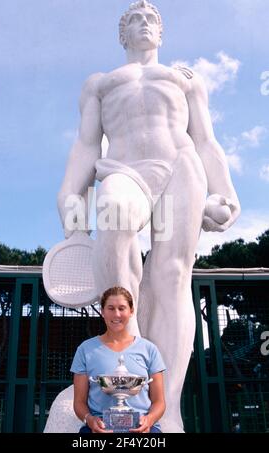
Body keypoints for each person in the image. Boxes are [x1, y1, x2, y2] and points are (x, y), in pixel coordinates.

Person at [58, 1, 241, 432]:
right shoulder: (101, 83)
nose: (144, 24)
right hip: (123, 170)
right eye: (135, 20)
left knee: (173, 276)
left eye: (151, 20)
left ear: (161, 33)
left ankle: (166, 407)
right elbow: (87, 145)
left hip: (179, 165)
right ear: (123, 35)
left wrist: (225, 192)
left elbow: (206, 139)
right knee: (115, 219)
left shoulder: (184, 79)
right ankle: (127, 369)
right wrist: (71, 194)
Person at [70, 286, 166, 433]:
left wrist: (149, 420)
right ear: (102, 311)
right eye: (110, 308)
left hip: (143, 429)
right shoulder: (85, 350)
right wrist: (90, 420)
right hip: (99, 427)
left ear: (131, 311)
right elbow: (79, 402)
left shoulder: (149, 349)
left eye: (122, 308)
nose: (116, 314)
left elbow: (159, 401)